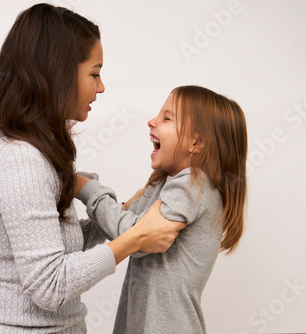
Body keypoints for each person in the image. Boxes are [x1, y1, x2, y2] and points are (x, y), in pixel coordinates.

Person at [0, 4, 183, 333]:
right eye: (94, 73)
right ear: (59, 73)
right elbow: (49, 286)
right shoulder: (21, 161)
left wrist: (119, 214)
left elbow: (55, 246)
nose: (101, 87)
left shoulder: (19, 146)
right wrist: (134, 239)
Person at [74, 85, 248, 334]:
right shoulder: (165, 181)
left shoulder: (193, 184)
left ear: (196, 142)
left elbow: (134, 237)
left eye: (167, 118)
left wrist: (88, 189)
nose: (151, 121)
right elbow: (127, 226)